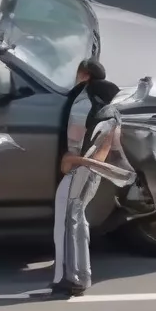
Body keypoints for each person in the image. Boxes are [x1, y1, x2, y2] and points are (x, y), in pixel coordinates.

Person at [51, 59, 121, 298]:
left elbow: (75, 141)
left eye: (79, 72)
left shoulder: (83, 102)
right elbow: (111, 141)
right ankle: (82, 276)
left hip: (78, 169)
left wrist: (69, 161)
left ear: (85, 74)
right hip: (94, 170)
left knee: (65, 221)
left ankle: (65, 278)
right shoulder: (110, 103)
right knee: (78, 218)